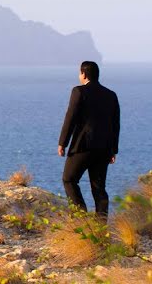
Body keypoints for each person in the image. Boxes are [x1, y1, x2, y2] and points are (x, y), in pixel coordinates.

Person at [57, 60, 120, 218]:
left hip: (83, 146)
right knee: (99, 188)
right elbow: (115, 124)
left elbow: (70, 118)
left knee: (69, 179)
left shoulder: (79, 91)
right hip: (104, 149)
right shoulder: (111, 95)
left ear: (84, 74)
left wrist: (62, 143)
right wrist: (113, 150)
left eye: (80, 73)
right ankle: (101, 227)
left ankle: (81, 217)